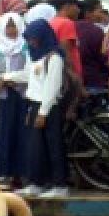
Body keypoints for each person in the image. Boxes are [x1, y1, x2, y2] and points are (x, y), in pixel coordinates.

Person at [19, 20, 69, 198]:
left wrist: (43, 112)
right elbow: (32, 84)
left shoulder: (54, 57)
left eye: (34, 38)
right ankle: (36, 182)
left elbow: (51, 87)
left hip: (48, 107)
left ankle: (60, 185)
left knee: (53, 146)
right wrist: (30, 111)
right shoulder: (35, 56)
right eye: (29, 39)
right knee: (36, 148)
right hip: (34, 105)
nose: (31, 42)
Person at [0, 12, 30, 188]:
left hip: (23, 98)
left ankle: (24, 174)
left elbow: (28, 73)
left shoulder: (26, 47)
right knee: (5, 135)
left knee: (23, 136)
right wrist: (1, 80)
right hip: (6, 98)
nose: (11, 30)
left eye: (14, 26)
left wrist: (5, 78)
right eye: (8, 27)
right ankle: (4, 174)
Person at [75, 0, 109, 92]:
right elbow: (103, 58)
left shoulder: (71, 27)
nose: (102, 14)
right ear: (88, 13)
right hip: (94, 83)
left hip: (74, 83)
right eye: (100, 10)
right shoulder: (95, 31)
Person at [48, 0, 84, 81]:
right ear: (67, 6)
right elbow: (65, 52)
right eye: (76, 7)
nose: (79, 11)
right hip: (67, 77)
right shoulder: (66, 23)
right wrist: (74, 77)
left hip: (56, 73)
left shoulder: (52, 22)